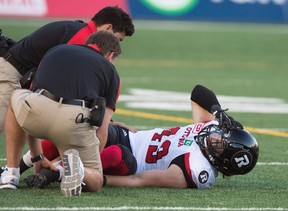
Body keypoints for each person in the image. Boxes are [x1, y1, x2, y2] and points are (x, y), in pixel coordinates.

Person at [18, 85, 259, 189]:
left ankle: (57, 173)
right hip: (128, 136)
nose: (216, 138)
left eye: (221, 145)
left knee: (112, 155)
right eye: (222, 135)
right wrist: (217, 111)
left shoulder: (199, 170)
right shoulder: (211, 128)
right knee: (77, 129)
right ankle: (16, 169)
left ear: (221, 162)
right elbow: (198, 92)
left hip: (130, 161)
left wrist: (98, 180)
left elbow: (141, 179)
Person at [0, 30, 122, 196]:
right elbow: (102, 130)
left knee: (16, 97)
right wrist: (91, 160)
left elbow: (31, 93)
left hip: (39, 109)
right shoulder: (110, 70)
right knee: (96, 180)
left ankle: (11, 174)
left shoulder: (57, 50)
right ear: (110, 55)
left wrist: (37, 157)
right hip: (75, 120)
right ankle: (77, 170)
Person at [0, 5, 135, 134]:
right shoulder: (82, 38)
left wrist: (106, 119)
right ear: (108, 28)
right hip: (11, 74)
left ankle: (34, 158)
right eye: (118, 39)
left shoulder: (80, 32)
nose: (116, 45)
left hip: (19, 74)